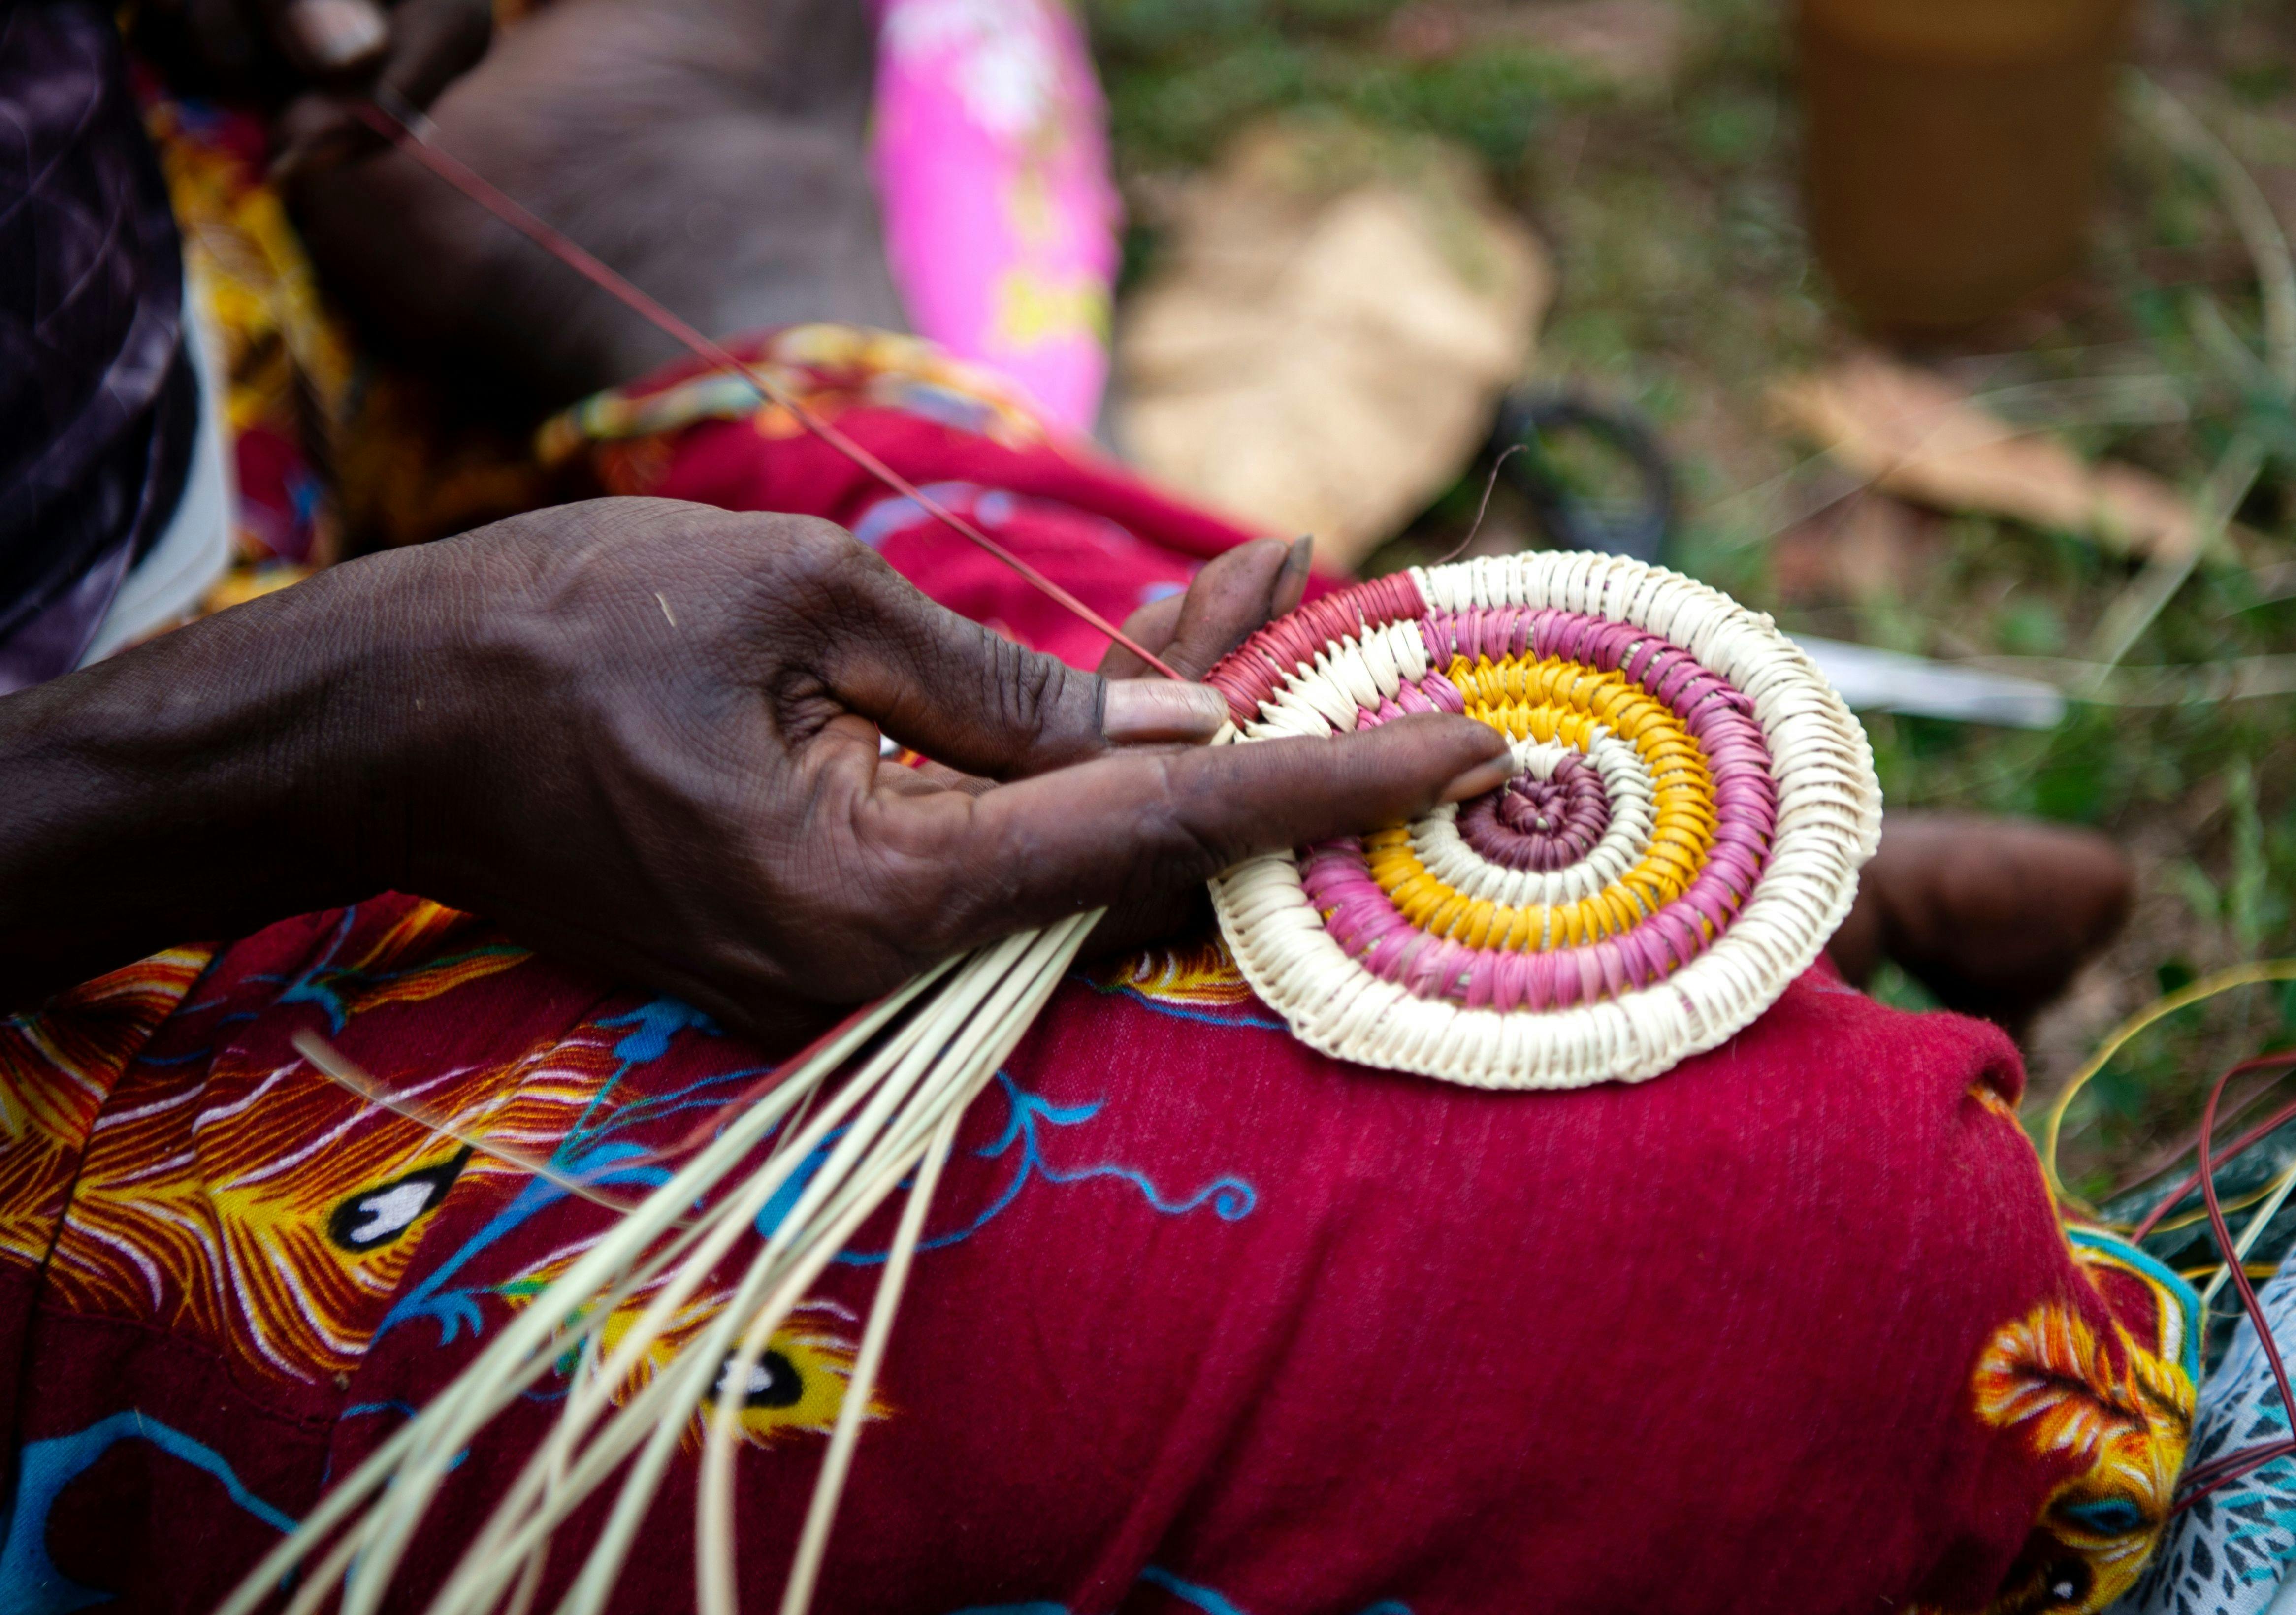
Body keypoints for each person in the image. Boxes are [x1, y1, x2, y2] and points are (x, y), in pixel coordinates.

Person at [0, 4, 2177, 1612]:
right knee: (1827, 1276)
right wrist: (313, 726)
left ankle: (718, 343)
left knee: (1126, 696)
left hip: (165, 309)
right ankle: (755, 360)